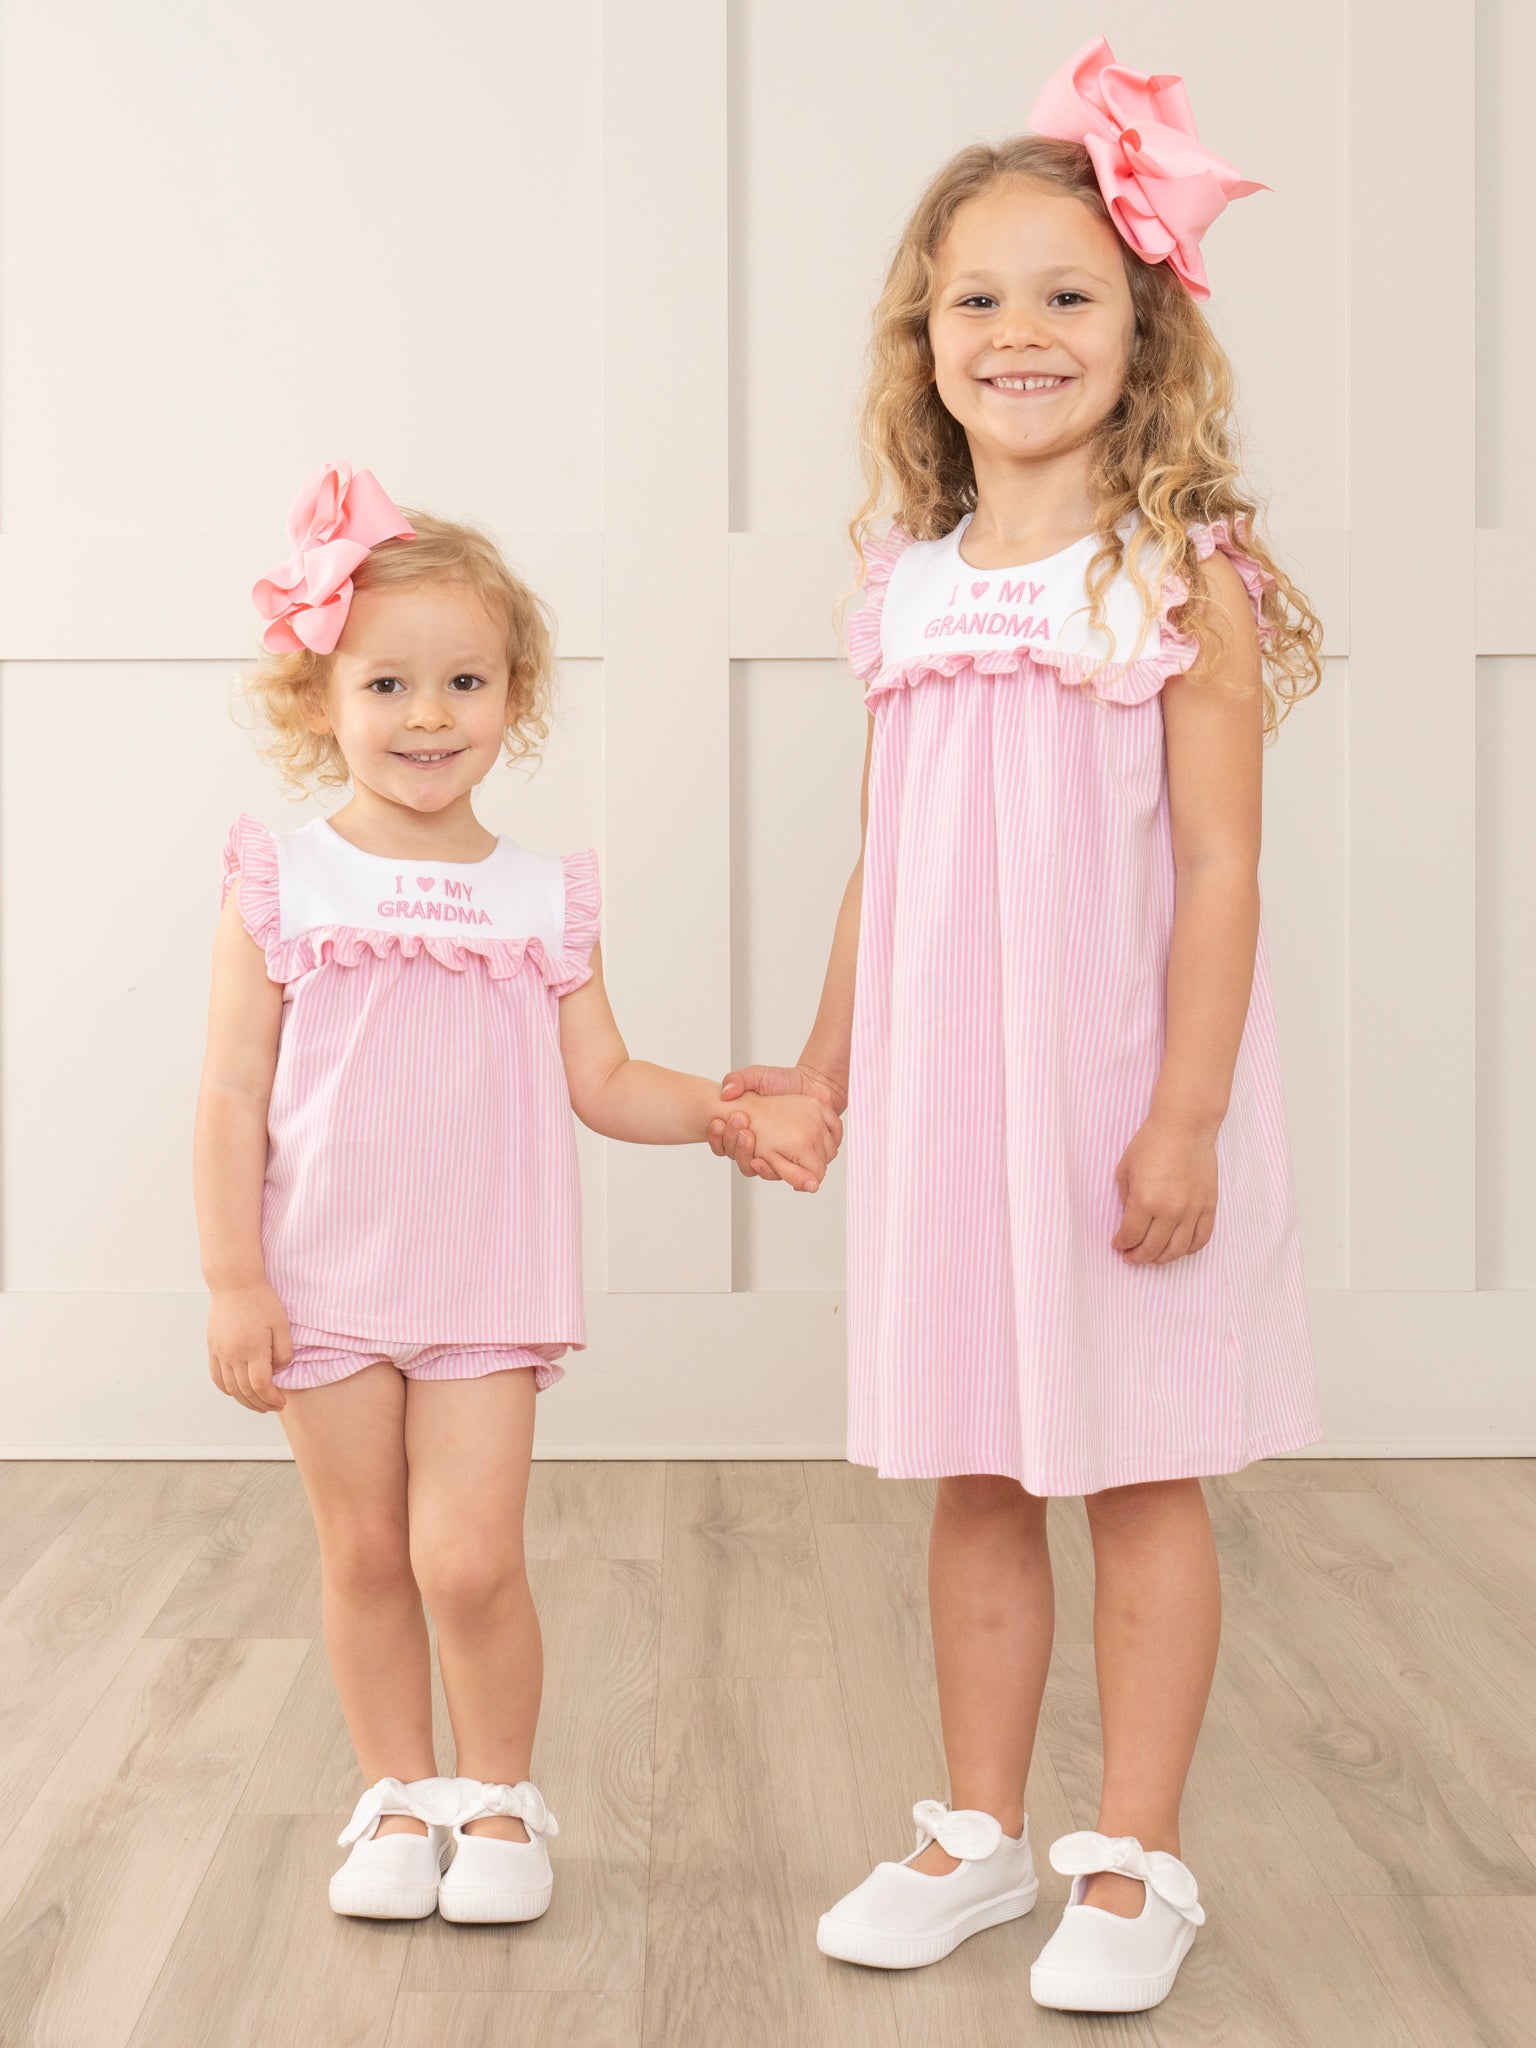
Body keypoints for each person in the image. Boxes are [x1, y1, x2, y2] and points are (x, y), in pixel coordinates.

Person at [709, 37, 1323, 2013]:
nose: (1019, 333)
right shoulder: (904, 584)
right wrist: (826, 1070)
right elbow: (885, 862)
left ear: (1144, 335)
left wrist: (1187, 1115)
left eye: (1067, 295)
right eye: (976, 299)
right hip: (954, 1113)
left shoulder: (1177, 580)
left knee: (1138, 1470)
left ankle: (1135, 1857)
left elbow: (1220, 870)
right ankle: (979, 1832)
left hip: (1119, 1104)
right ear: (926, 338)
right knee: (975, 1469)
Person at [194, 464, 837, 1925]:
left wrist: (723, 1113)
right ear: (318, 696)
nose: (429, 715)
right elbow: (230, 1093)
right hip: (320, 1278)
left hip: (483, 1278)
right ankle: (397, 1793)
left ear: (515, 696)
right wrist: (236, 1277)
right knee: (366, 1555)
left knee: (469, 1561)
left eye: (466, 681)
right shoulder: (281, 883)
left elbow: (602, 1079)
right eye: (387, 683)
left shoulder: (542, 899)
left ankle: (497, 1797)